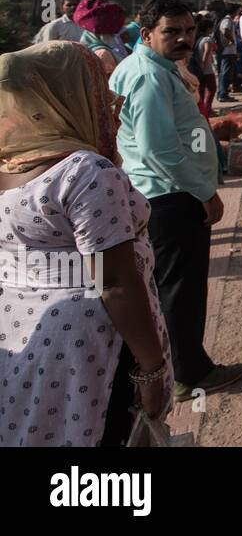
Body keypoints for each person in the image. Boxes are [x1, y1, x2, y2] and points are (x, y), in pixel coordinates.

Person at [0, 41, 172, 445]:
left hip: (21, 334)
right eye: (96, 88)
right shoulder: (84, 171)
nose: (107, 102)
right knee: (102, 434)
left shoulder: (8, 163)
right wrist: (152, 370)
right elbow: (115, 284)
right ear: (68, 96)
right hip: (89, 346)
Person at [109, 0, 242, 401]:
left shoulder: (146, 68)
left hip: (159, 195)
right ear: (146, 32)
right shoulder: (150, 78)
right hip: (172, 198)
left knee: (168, 287)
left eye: (189, 30)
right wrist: (205, 193)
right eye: (172, 31)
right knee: (181, 290)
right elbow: (160, 150)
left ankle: (176, 366)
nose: (185, 38)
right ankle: (190, 373)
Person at [74, 0, 131, 75]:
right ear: (102, 34)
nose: (113, 36)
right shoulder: (103, 54)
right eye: (111, 34)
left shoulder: (83, 47)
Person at [191, 15, 218, 117]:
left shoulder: (198, 38)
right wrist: (203, 63)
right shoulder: (207, 39)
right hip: (206, 69)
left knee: (201, 90)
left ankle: (201, 110)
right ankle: (207, 109)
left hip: (199, 68)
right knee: (212, 88)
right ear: (208, 28)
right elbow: (207, 51)